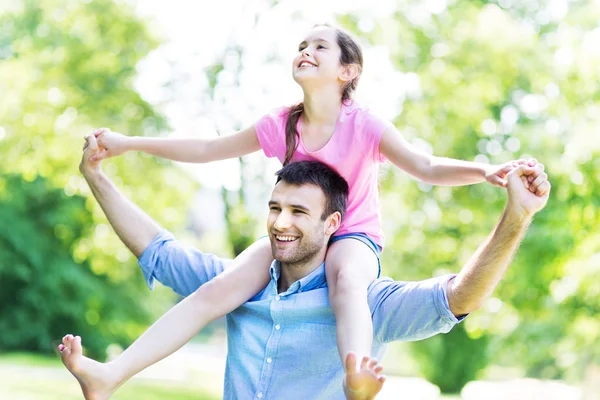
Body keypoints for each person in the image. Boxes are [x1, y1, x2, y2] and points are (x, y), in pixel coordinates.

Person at [80, 23, 524, 396]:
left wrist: (485, 170)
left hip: (353, 235)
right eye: (301, 47)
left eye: (319, 47)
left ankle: (356, 372)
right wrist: (128, 144)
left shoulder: (365, 125)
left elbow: (425, 166)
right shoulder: (282, 123)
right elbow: (208, 147)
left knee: (347, 282)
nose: (305, 51)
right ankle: (110, 375)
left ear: (347, 71)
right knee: (215, 291)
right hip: (301, 231)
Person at [59, 135, 550, 400]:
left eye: (298, 212)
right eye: (274, 208)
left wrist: (515, 216)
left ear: (333, 222)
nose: (280, 223)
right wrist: (95, 176)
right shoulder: (237, 285)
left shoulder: (363, 299)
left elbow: (458, 296)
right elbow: (159, 252)